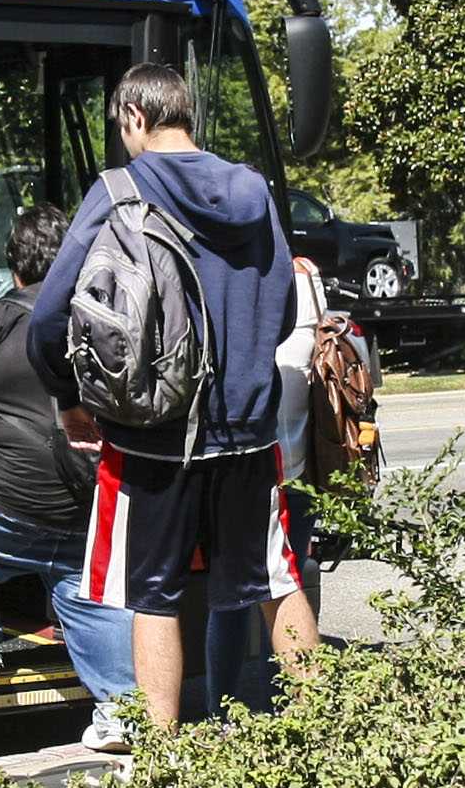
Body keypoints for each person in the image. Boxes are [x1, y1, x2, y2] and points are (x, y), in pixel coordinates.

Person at [27, 65, 318, 732]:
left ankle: (164, 764)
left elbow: (49, 320)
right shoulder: (253, 190)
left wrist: (70, 397)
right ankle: (321, 730)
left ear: (134, 116)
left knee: (151, 595)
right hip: (248, 429)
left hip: (149, 437)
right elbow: (278, 314)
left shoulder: (118, 191)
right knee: (275, 578)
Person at [0, 205, 136, 751]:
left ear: (15, 266)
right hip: (84, 494)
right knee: (87, 588)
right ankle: (120, 709)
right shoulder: (103, 320)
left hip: (1, 488)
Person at [204, 254, 326, 714]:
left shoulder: (231, 275)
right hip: (297, 471)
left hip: (248, 468)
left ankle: (225, 711)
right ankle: (289, 705)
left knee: (233, 597)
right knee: (284, 589)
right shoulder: (304, 275)